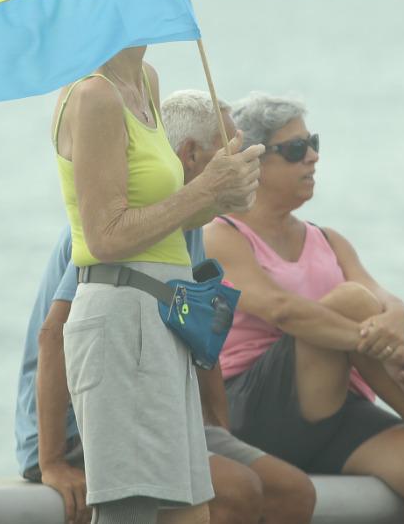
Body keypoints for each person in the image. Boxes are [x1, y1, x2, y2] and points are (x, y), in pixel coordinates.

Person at [207, 92, 404, 524]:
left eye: (314, 144)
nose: (312, 157)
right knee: (349, 302)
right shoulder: (222, 235)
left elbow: (388, 304)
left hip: (332, 404)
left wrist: (393, 325)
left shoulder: (327, 239)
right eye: (294, 150)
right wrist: (385, 347)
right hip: (256, 410)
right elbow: (280, 310)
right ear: (254, 161)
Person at [18, 90, 316, 524]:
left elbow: (198, 330)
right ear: (192, 155)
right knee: (237, 491)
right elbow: (53, 335)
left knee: (292, 492)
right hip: (81, 425)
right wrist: (51, 462)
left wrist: (216, 429)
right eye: (233, 148)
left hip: (169, 407)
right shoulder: (127, 224)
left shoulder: (194, 224)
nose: (248, 161)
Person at [53, 47, 264, 524]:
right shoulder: (94, 94)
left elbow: (168, 220)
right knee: (133, 512)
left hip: (163, 322)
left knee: (190, 514)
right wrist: (205, 189)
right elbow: (107, 236)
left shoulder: (145, 80)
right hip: (124, 324)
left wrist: (224, 192)